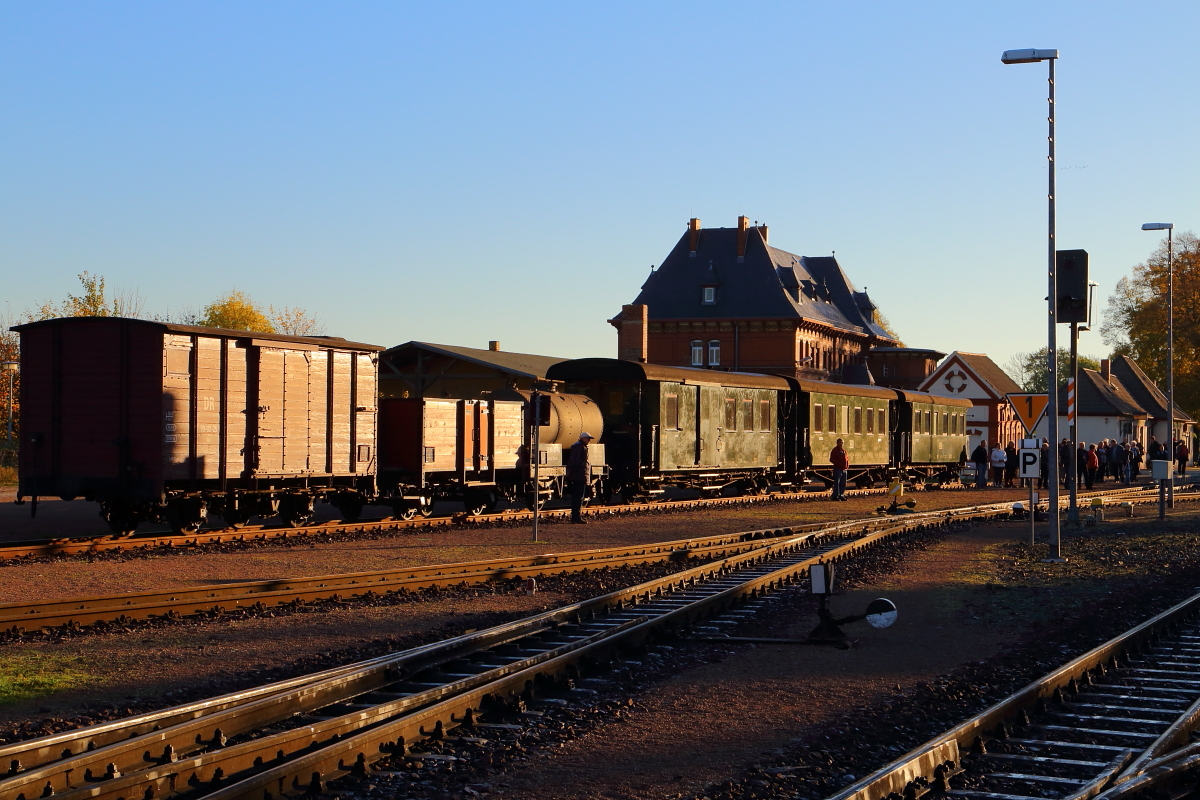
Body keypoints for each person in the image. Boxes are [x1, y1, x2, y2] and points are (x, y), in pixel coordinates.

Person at [566, 432, 594, 524]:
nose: (589, 440)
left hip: (578, 476)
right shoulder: (580, 447)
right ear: (583, 438)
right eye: (588, 438)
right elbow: (578, 462)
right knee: (578, 497)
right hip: (579, 476)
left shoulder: (579, 446)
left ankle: (576, 517)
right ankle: (576, 517)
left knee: (577, 497)